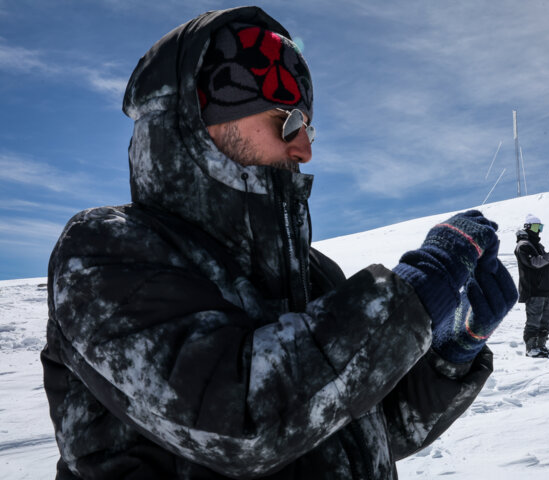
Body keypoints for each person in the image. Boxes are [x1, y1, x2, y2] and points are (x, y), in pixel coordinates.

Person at [41, 6, 517, 479]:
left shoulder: (314, 273)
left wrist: (452, 353)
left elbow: (363, 426)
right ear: (196, 122)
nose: (305, 148)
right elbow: (241, 426)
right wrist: (409, 298)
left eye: (308, 127)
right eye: (286, 121)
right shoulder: (107, 252)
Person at [514, 214, 549, 358]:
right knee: (534, 319)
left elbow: (546, 265)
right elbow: (535, 263)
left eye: (540, 227)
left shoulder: (537, 246)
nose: (539, 230)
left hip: (544, 288)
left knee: (546, 318)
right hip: (533, 289)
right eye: (536, 227)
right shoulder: (523, 245)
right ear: (528, 227)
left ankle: (541, 346)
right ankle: (531, 348)